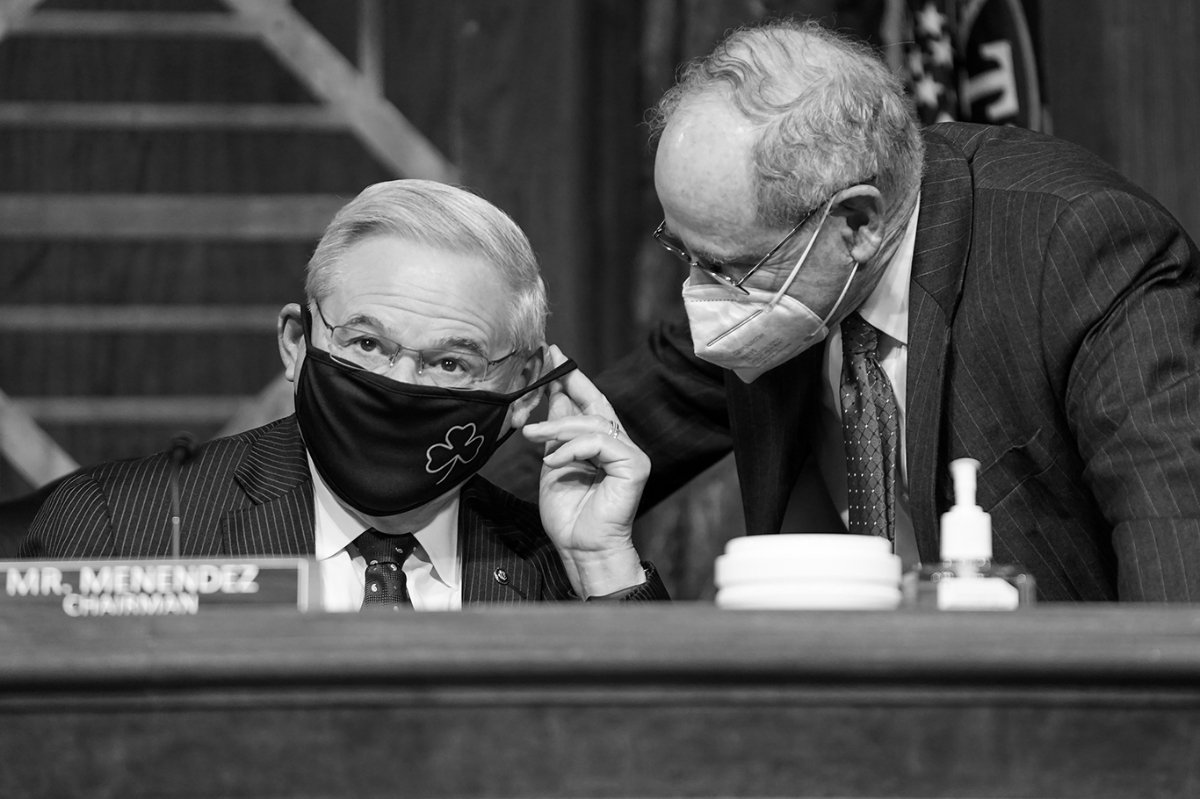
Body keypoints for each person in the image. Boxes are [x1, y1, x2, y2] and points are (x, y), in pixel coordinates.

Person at [597, 18, 1200, 601]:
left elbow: (1177, 578)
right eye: (685, 252)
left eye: (726, 266)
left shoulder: (1078, 252)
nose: (703, 293)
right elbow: (596, 449)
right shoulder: (770, 291)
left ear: (858, 222)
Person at [21, 180, 668, 608]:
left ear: (523, 390)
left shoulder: (560, 570)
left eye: (450, 362)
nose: (402, 384)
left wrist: (599, 562)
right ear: (296, 343)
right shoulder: (117, 527)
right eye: (366, 344)